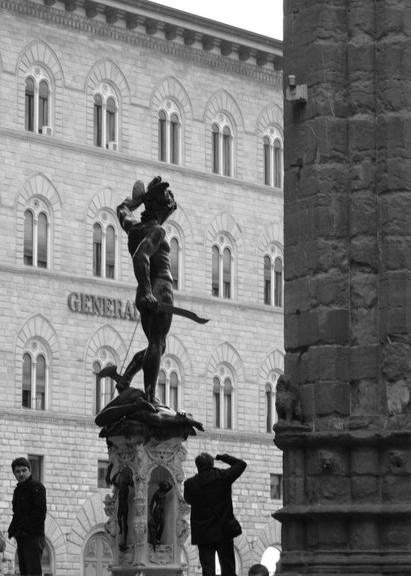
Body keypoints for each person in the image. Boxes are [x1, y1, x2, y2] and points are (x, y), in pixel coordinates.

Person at [99, 176, 177, 404]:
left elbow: (121, 209)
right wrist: (148, 291)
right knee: (157, 343)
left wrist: (137, 200)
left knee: (158, 344)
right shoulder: (157, 231)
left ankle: (126, 378)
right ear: (161, 210)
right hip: (160, 289)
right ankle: (151, 397)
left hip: (146, 292)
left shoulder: (134, 227)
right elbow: (141, 255)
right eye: (167, 212)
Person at [183, 453, 247, 576]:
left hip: (203, 534)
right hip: (223, 531)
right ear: (211, 464)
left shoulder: (190, 484)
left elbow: (188, 500)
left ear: (197, 466)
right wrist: (223, 457)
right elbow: (241, 464)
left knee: (208, 570)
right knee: (228, 569)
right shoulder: (222, 477)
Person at [7, 457, 46, 576]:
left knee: (32, 571)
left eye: (24, 470)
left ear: (30, 470)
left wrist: (24, 530)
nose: (21, 474)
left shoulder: (36, 487)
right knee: (24, 571)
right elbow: (17, 514)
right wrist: (13, 530)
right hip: (22, 536)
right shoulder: (18, 490)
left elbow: (39, 513)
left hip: (33, 536)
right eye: (17, 472)